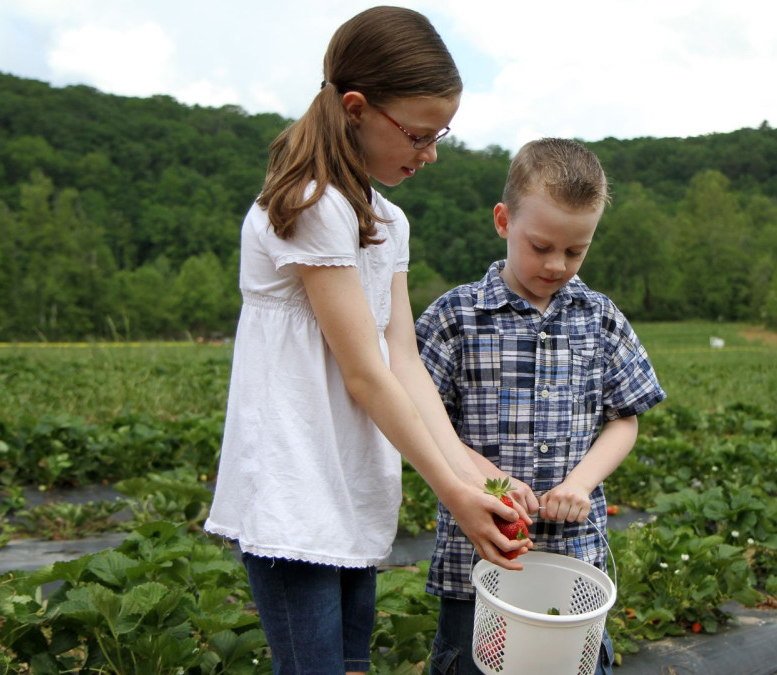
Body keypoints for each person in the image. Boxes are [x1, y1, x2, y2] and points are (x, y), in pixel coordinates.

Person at [204, 7, 532, 675]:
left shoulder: (388, 220)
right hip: (295, 492)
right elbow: (363, 373)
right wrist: (451, 491)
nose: (430, 152)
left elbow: (402, 361)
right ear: (357, 108)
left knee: (353, 665)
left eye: (441, 134)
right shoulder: (307, 202)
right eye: (418, 133)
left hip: (350, 488)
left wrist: (476, 472)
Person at [415, 138, 667, 674]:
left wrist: (580, 484)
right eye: (541, 246)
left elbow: (624, 419)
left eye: (576, 251)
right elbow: (419, 421)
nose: (557, 264)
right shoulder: (455, 317)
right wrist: (489, 481)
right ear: (503, 221)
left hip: (574, 559)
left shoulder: (599, 318)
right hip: (477, 562)